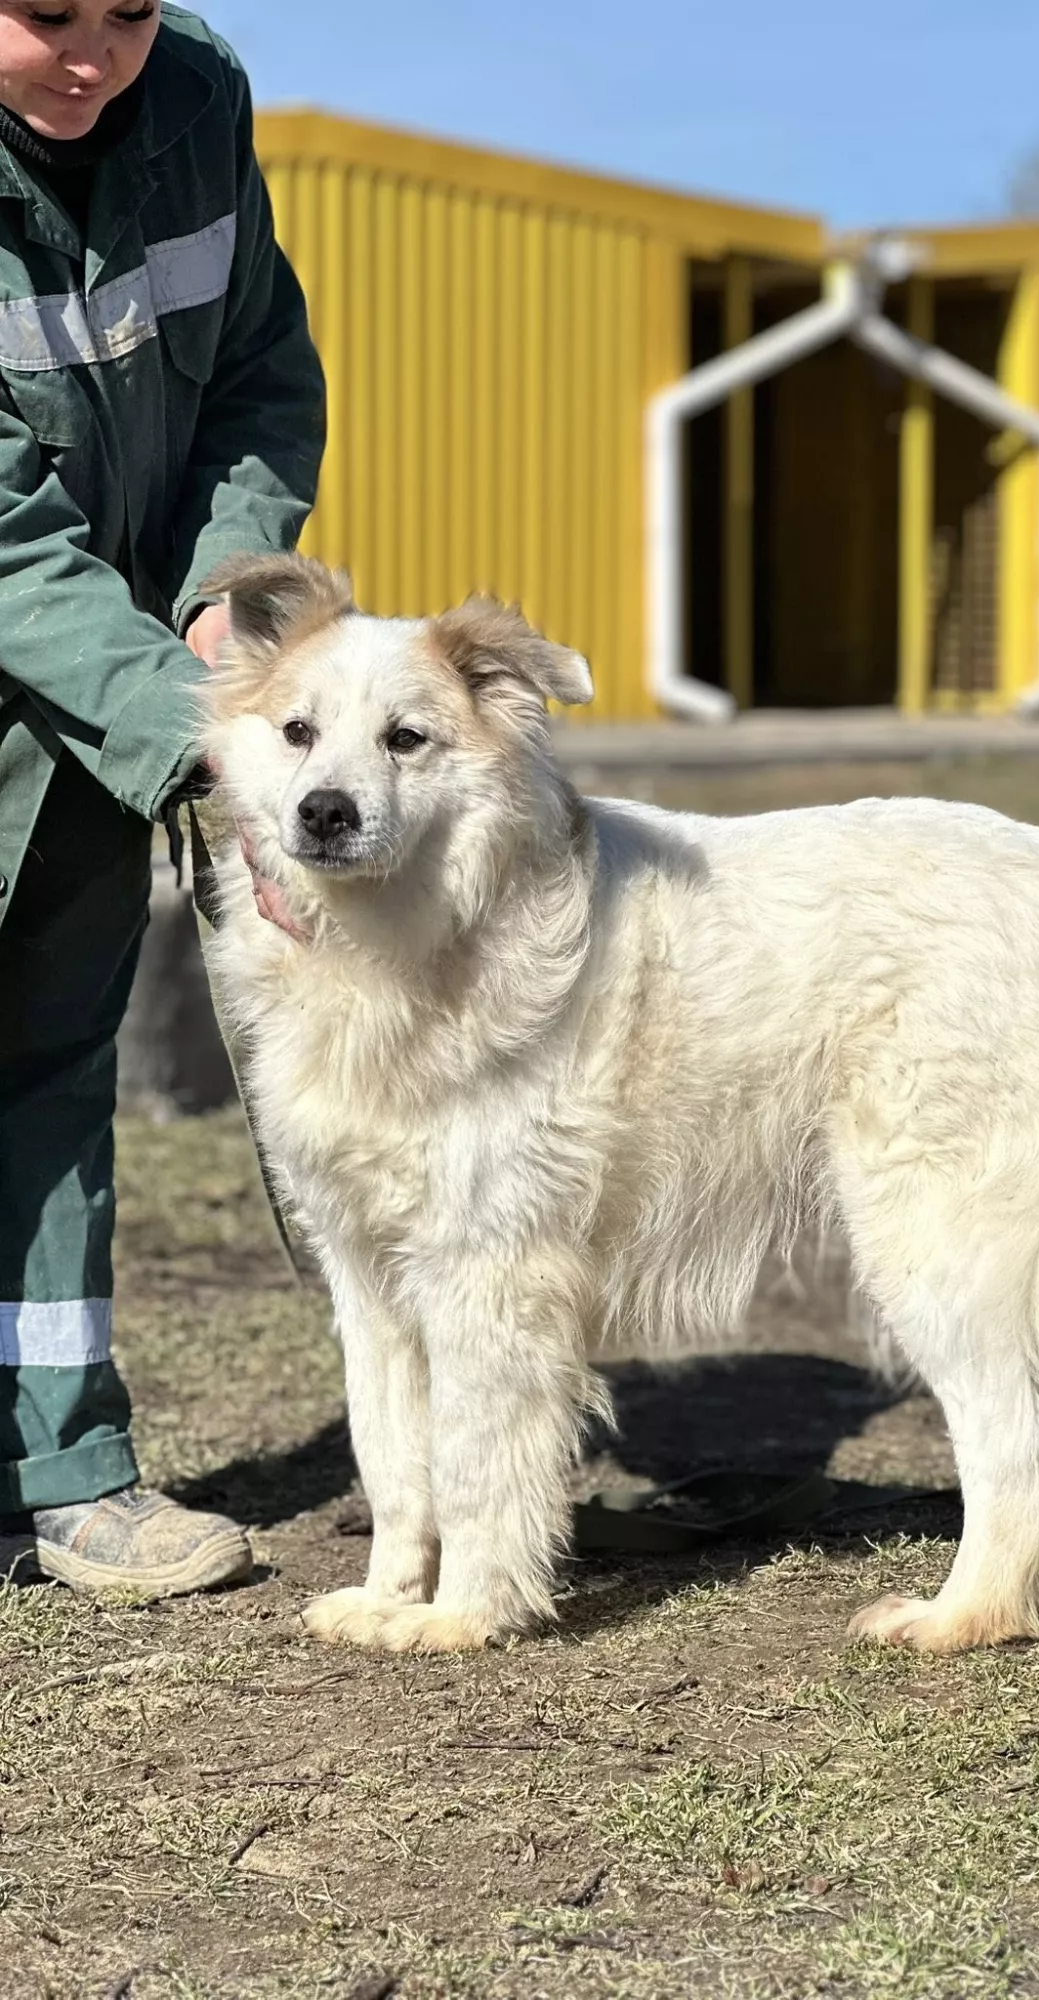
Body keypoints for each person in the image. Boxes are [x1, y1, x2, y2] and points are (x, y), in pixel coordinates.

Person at [0, 0, 325, 1597]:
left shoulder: (194, 99)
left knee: (52, 1083)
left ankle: (69, 1475)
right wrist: (200, 725)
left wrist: (224, 602)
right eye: (43, 14)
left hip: (100, 704)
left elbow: (260, 374)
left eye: (126, 15)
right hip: (92, 674)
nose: (92, 59)